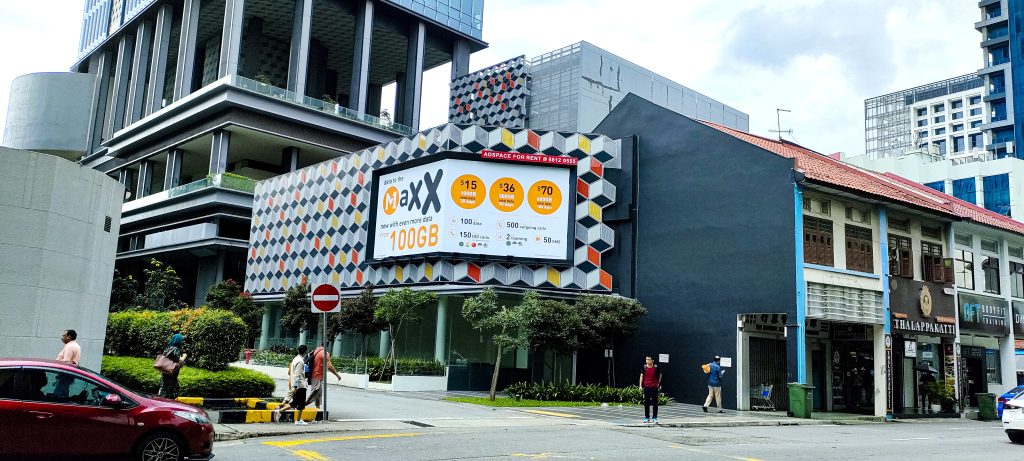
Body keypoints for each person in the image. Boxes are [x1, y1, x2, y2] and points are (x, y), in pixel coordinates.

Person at [305, 345, 342, 410]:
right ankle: (301, 405)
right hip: (317, 376)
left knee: (319, 394)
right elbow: (329, 367)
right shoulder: (325, 353)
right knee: (315, 392)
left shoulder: (316, 350)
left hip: (314, 375)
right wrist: (337, 375)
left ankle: (318, 410)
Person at [283, 345, 309, 425]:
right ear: (305, 352)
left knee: (294, 403)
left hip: (297, 385)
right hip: (300, 385)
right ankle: (298, 420)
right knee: (301, 403)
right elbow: (297, 375)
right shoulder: (300, 361)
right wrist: (295, 386)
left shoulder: (295, 359)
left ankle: (279, 411)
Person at [157, 334, 187, 399]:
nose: (183, 342)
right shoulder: (176, 349)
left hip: (165, 371)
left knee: (164, 388)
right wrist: (183, 358)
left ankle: (162, 401)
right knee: (171, 389)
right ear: (179, 341)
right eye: (182, 340)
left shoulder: (168, 348)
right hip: (171, 373)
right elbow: (177, 362)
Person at [639, 356, 662, 423]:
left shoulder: (656, 367)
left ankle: (654, 417)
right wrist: (640, 386)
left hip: (654, 388)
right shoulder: (644, 367)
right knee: (646, 403)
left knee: (655, 403)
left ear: (652, 360)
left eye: (648, 359)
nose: (647, 361)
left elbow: (660, 375)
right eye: (646, 359)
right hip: (646, 388)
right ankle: (647, 417)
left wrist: (659, 384)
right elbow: (641, 376)